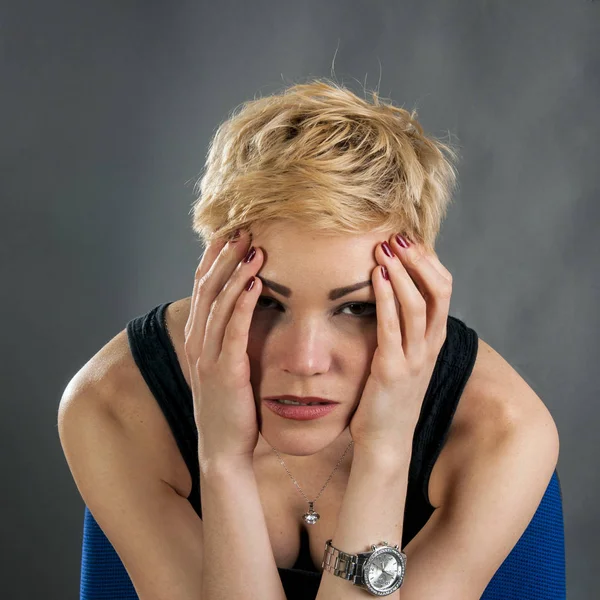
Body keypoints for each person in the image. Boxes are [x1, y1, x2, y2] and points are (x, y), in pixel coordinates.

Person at [58, 79, 559, 600]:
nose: (305, 361)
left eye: (357, 308)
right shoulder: (113, 406)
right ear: (212, 275)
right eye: (266, 302)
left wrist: (384, 453)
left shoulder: (503, 430)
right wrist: (222, 461)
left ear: (418, 291)